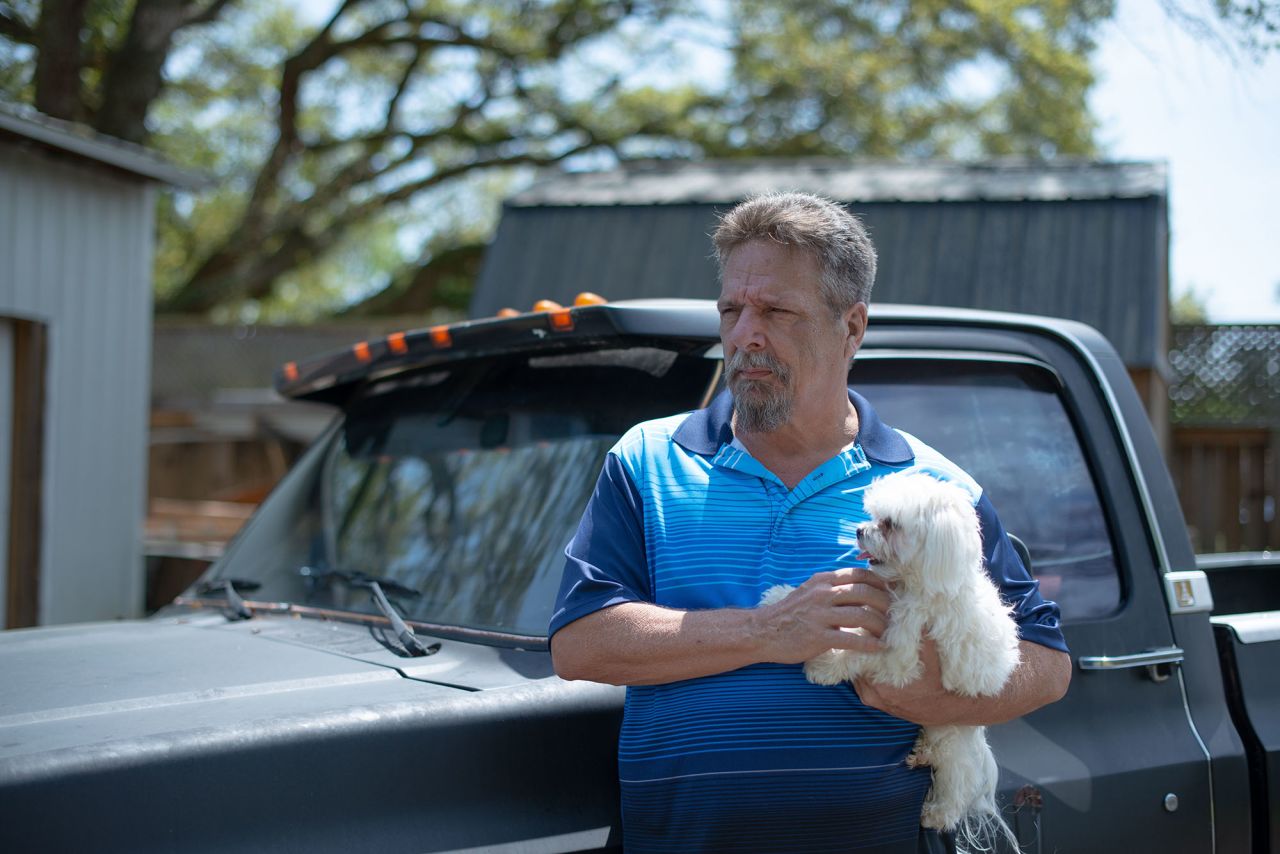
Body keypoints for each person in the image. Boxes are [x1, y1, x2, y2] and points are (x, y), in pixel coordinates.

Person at [548, 191, 1071, 853]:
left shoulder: (933, 490)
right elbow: (579, 645)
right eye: (731, 310)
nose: (744, 336)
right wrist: (767, 630)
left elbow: (1048, 664)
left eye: (775, 311)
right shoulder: (646, 462)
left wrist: (945, 699)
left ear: (851, 327)